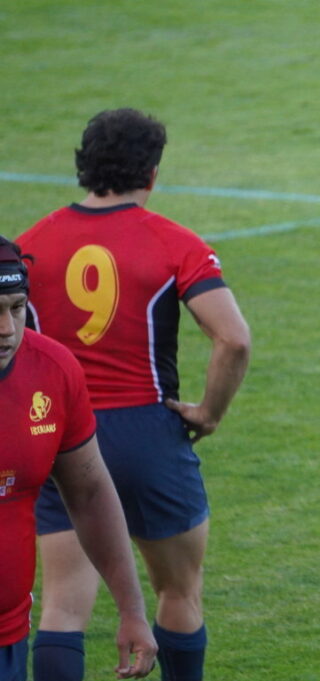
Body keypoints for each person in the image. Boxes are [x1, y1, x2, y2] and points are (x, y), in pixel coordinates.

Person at [16, 108, 251, 681]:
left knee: (63, 607)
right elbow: (234, 339)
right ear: (152, 173)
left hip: (61, 436)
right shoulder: (174, 242)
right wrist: (209, 413)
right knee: (178, 591)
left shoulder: (30, 245)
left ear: (83, 165)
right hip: (148, 435)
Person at [0, 237, 157, 681]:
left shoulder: (52, 371)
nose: (7, 329)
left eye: (16, 308)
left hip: (7, 637)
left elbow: (89, 493)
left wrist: (131, 609)